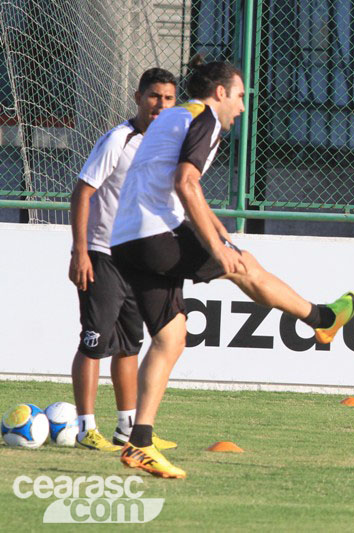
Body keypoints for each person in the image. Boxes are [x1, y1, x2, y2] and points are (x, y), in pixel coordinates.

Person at [110, 61, 354, 478]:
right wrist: (216, 246)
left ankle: (140, 443)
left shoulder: (174, 115)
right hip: (156, 235)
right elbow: (184, 182)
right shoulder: (205, 118)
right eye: (240, 95)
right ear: (220, 93)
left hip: (126, 239)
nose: (242, 106)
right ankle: (323, 319)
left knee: (171, 338)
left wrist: (216, 228)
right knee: (245, 267)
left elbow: (172, 182)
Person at [68, 68, 179, 452]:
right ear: (138, 98)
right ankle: (85, 428)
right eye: (153, 96)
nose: (160, 105)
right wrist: (80, 250)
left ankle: (128, 429)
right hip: (102, 254)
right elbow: (82, 193)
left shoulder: (169, 145)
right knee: (94, 341)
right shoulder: (119, 139)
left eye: (168, 98)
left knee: (130, 346)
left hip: (138, 257)